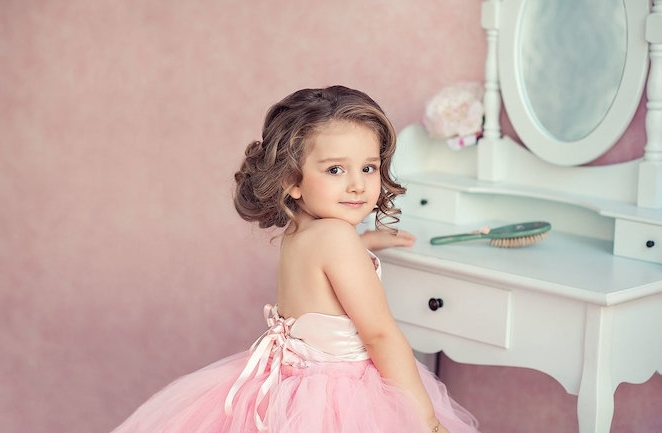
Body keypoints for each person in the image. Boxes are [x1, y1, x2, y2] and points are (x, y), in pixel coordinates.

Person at [110, 86, 480, 433]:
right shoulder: (336, 238)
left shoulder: (298, 231)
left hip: (291, 387)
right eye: (335, 169)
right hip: (342, 393)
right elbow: (380, 334)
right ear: (293, 180)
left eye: (368, 167)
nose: (357, 184)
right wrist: (427, 420)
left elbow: (322, 272)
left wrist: (364, 241)